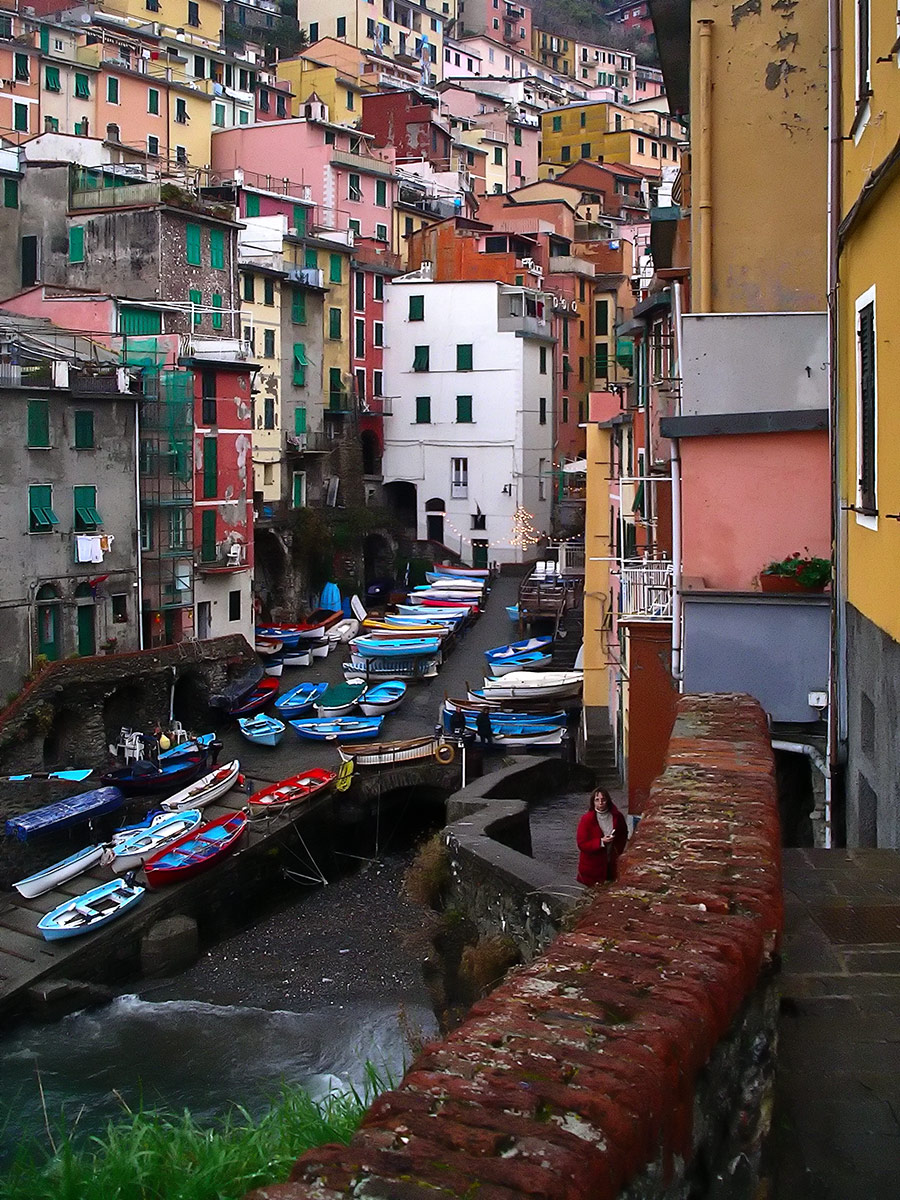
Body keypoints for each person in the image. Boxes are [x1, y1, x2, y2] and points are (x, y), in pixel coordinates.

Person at [576, 787, 628, 886]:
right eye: (597, 800)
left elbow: (623, 834)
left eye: (603, 799)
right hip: (592, 867)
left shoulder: (617, 816)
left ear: (607, 800)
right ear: (593, 802)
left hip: (612, 863)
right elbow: (582, 844)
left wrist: (618, 850)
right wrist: (601, 842)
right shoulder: (586, 819)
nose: (600, 803)